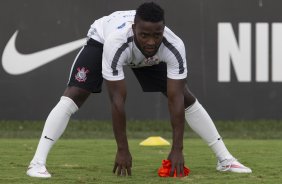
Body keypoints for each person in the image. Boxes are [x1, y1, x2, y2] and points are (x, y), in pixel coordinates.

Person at [26, 2, 252, 178]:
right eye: (145, 34)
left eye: (157, 34)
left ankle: (225, 159)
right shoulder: (116, 43)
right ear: (134, 29)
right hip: (102, 40)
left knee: (186, 98)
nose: (151, 42)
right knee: (75, 94)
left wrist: (177, 149)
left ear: (164, 30)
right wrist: (122, 149)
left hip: (146, 59)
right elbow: (117, 99)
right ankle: (37, 162)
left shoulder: (173, 46)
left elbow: (175, 100)